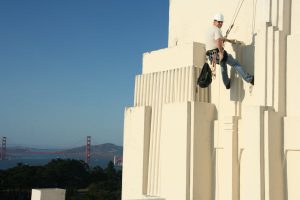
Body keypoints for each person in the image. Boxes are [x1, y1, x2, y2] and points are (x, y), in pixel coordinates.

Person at [205, 13, 254, 89]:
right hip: (217, 53)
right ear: (214, 21)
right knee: (235, 63)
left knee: (223, 65)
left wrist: (229, 41)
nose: (221, 24)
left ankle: (227, 83)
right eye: (219, 22)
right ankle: (249, 79)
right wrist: (221, 52)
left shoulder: (209, 30)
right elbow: (218, 41)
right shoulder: (217, 30)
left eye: (221, 22)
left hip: (211, 56)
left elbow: (219, 39)